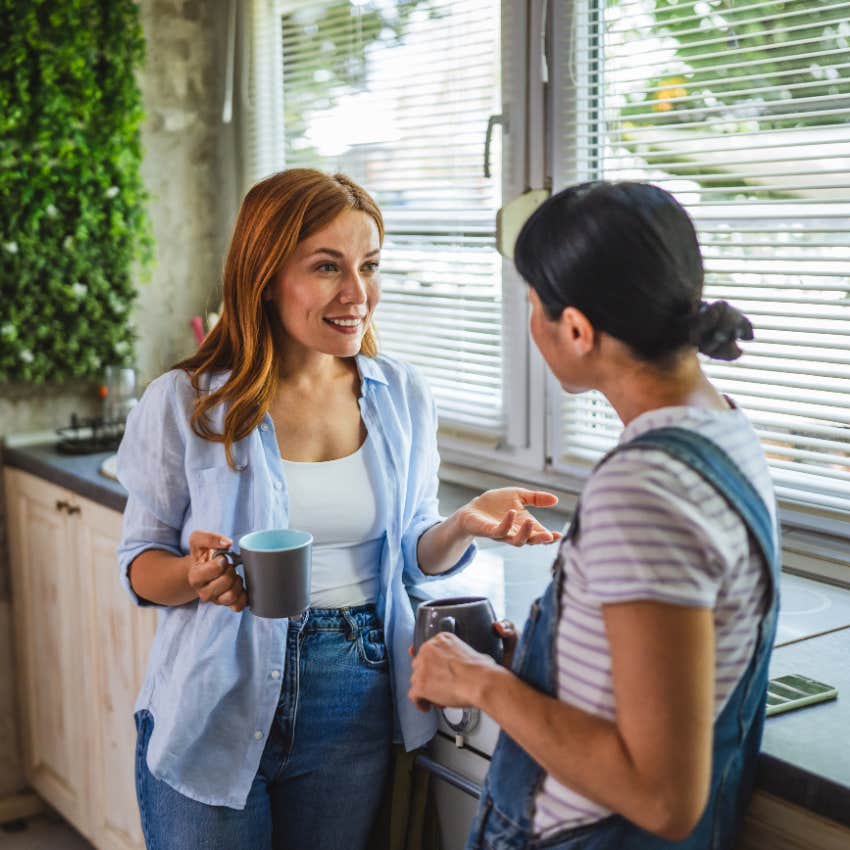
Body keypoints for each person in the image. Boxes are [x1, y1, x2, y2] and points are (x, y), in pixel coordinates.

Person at [116, 168, 560, 850]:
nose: (357, 293)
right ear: (266, 277)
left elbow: (411, 552)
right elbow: (140, 564)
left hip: (355, 695)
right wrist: (193, 576)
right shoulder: (188, 402)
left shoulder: (400, 393)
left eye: (369, 266)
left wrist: (463, 523)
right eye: (327, 267)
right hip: (214, 697)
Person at [409, 181, 779, 850]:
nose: (530, 323)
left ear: (577, 330)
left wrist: (482, 683)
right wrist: (544, 665)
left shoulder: (644, 489)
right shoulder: (723, 429)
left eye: (532, 304)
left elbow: (661, 797)